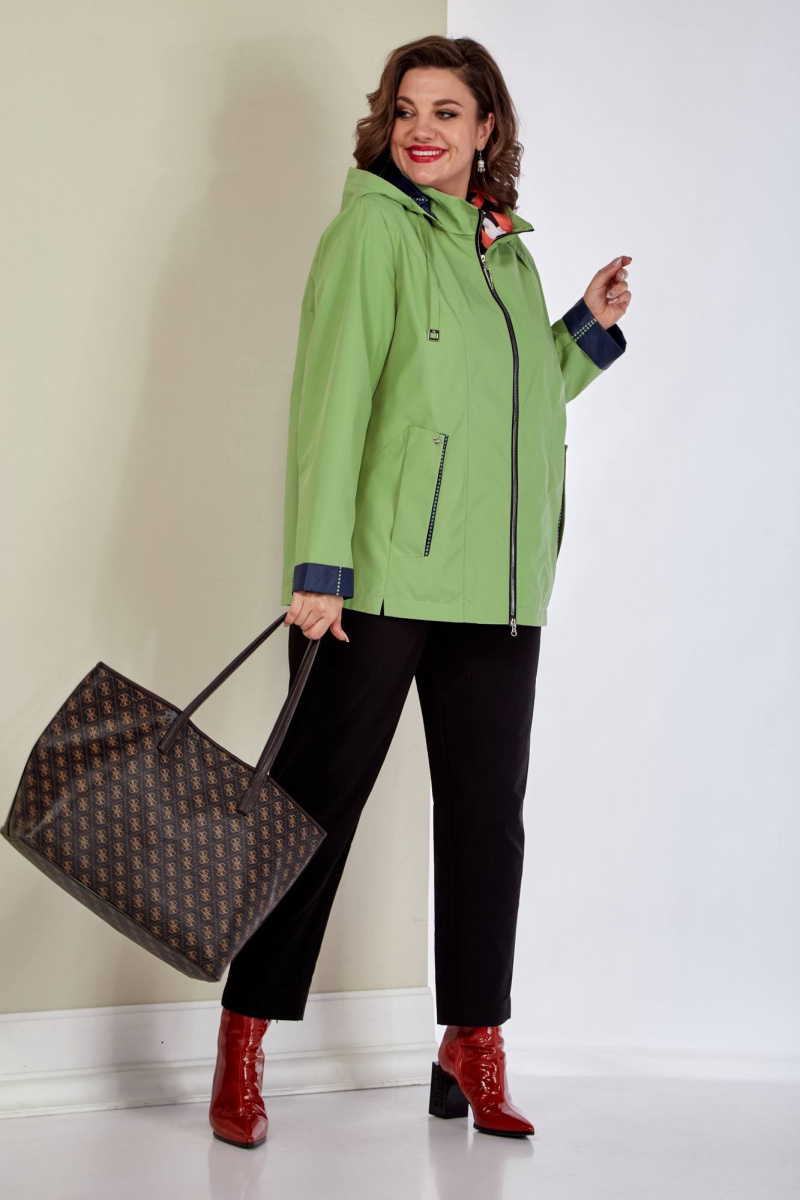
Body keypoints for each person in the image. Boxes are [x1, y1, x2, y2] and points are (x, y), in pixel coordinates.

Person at [209, 34, 631, 1149]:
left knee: (487, 820)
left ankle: (472, 1041)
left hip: (497, 589)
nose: (422, 130)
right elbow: (333, 399)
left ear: (487, 129)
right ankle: (245, 1034)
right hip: (378, 580)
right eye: (406, 109)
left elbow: (515, 402)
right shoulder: (370, 231)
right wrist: (318, 569)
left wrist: (585, 330)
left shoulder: (508, 254)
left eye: (447, 111)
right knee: (307, 815)